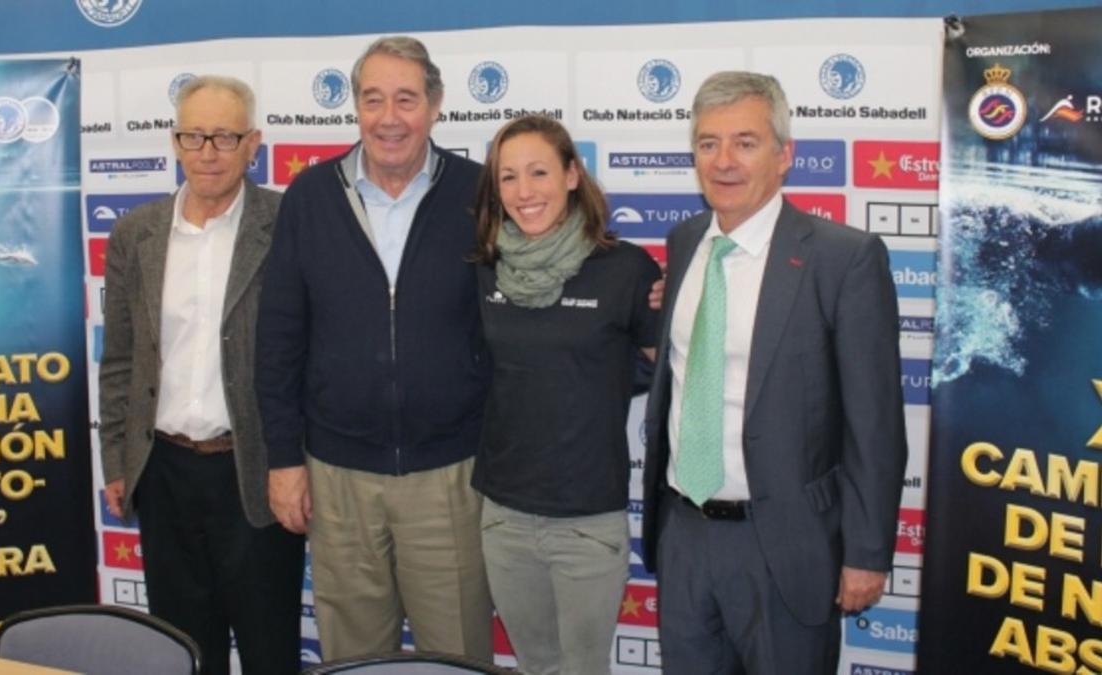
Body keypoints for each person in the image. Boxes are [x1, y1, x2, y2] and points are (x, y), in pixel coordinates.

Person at [641, 71, 907, 674]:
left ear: (785, 156)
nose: (724, 161)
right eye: (708, 144)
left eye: (745, 142)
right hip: (683, 533)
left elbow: (876, 425)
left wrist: (866, 554)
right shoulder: (685, 243)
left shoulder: (844, 259)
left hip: (786, 545)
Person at [254, 36, 494, 660]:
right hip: (337, 478)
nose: (390, 117)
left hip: (451, 475)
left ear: (436, 106)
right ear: (355, 107)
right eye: (374, 99)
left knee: (457, 653)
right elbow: (278, 338)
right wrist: (284, 461)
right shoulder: (309, 197)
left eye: (407, 99)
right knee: (353, 656)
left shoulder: (481, 193)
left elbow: (523, 308)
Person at [99, 75, 302, 675]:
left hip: (257, 475)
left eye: (224, 136)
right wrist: (116, 460)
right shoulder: (136, 233)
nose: (207, 151)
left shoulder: (288, 222)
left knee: (270, 651)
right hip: (163, 474)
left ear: (253, 144)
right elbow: (120, 357)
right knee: (185, 652)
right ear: (175, 141)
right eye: (194, 135)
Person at [470, 115, 659, 675]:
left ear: (572, 175)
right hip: (503, 514)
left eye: (538, 173)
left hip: (586, 520)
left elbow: (668, 374)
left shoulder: (625, 270)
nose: (524, 193)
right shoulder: (485, 269)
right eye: (508, 178)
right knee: (534, 666)